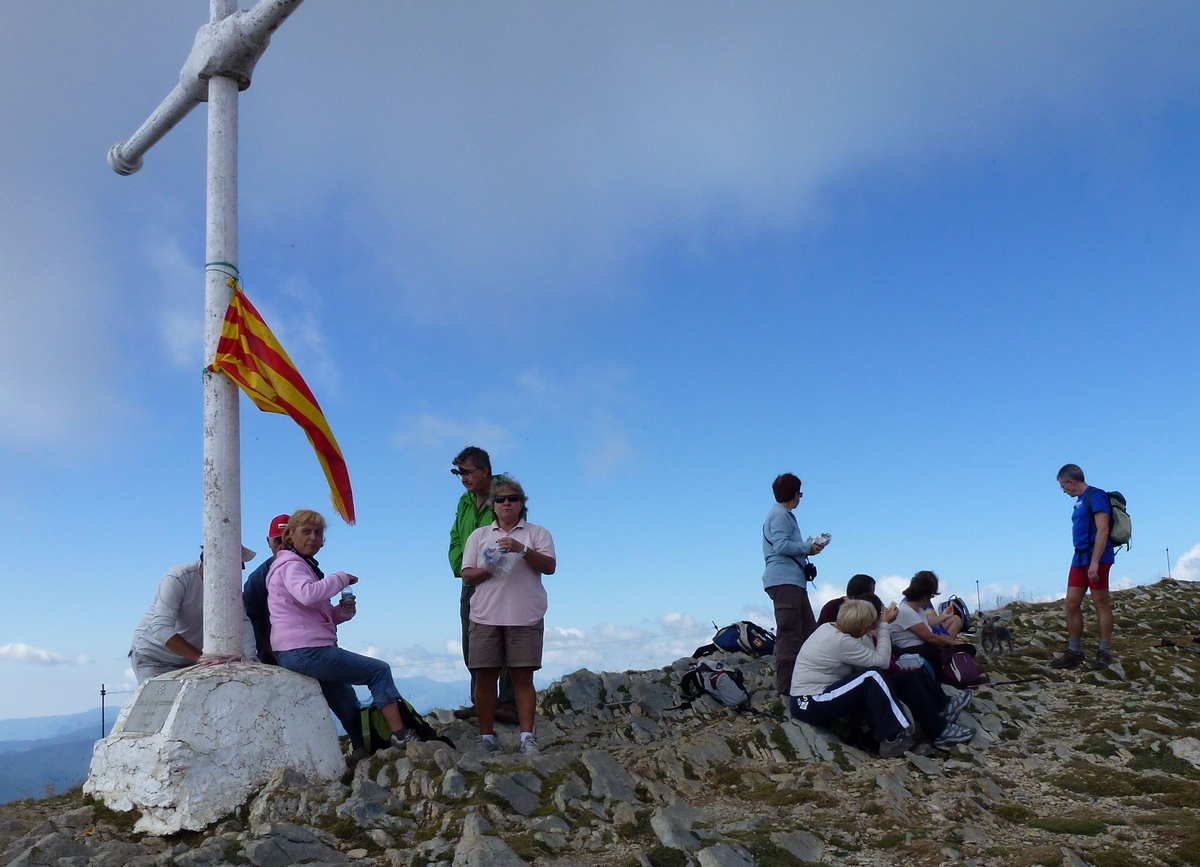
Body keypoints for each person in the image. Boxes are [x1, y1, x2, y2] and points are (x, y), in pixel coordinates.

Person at [267, 509, 417, 754]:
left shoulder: (298, 565)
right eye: (306, 531)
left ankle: (362, 748)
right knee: (378, 671)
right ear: (290, 535)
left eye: (318, 532)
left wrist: (341, 612)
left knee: (344, 699)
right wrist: (340, 578)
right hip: (306, 650)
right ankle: (402, 736)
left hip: (294, 651)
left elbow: (312, 612)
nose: (313, 537)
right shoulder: (291, 565)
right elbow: (307, 594)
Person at [789, 600, 975, 757]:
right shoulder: (840, 641)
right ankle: (893, 739)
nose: (871, 630)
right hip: (810, 701)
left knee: (907, 678)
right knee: (872, 676)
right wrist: (884, 626)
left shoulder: (830, 628)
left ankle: (940, 715)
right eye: (870, 626)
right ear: (861, 627)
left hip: (824, 694)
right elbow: (882, 662)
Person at [460, 475, 556, 755]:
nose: (506, 503)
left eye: (512, 498)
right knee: (485, 678)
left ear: (522, 504)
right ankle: (486, 737)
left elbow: (550, 566)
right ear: (493, 505)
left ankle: (527, 738)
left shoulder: (537, 533)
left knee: (523, 678)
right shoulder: (479, 536)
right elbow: (467, 575)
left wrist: (522, 550)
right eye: (500, 499)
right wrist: (490, 568)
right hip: (485, 616)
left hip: (525, 616)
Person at [449, 446, 518, 724]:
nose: (463, 478)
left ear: (485, 470)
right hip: (471, 581)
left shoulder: (506, 494)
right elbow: (456, 537)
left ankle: (509, 705)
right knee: (473, 642)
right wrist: (462, 567)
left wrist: (486, 568)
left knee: (507, 639)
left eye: (467, 472)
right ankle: (481, 703)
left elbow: (511, 532)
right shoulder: (464, 501)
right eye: (458, 473)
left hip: (503, 580)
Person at [129, 547, 259, 684]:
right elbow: (161, 629)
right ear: (216, 563)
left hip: (189, 661)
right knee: (157, 698)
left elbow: (241, 622)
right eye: (238, 563)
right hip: (153, 657)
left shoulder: (229, 589)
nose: (243, 568)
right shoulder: (178, 578)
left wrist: (250, 659)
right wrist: (202, 658)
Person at [762, 472, 826, 695]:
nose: (800, 497)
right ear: (795, 494)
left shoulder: (783, 515)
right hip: (784, 581)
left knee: (809, 631)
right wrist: (807, 548)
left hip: (792, 582)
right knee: (790, 633)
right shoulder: (780, 515)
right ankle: (788, 688)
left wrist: (806, 548)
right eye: (800, 493)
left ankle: (807, 680)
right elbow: (781, 545)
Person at [1051, 463, 1115, 670]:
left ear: (1071, 481)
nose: (1063, 490)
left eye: (1063, 486)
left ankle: (1104, 652)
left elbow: (1103, 530)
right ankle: (1074, 652)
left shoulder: (1096, 496)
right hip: (1079, 558)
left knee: (1100, 603)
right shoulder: (1079, 501)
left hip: (1097, 558)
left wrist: (1095, 562)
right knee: (1071, 603)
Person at [891, 570, 966, 672]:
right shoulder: (906, 612)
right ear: (924, 597)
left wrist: (943, 616)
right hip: (913, 652)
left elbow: (926, 624)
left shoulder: (918, 610)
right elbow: (929, 637)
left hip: (919, 650)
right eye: (931, 596)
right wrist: (952, 643)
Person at [243, 513, 290, 665]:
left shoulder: (310, 570)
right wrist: (264, 647)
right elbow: (248, 616)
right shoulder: (259, 577)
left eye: (288, 540)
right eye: (278, 541)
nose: (283, 546)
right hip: (273, 656)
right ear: (268, 542)